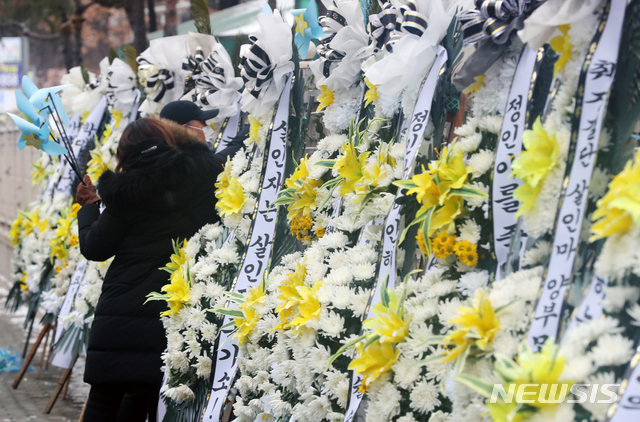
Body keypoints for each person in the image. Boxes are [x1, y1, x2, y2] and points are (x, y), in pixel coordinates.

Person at [75, 117, 221, 422]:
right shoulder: (205, 178)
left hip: (121, 312)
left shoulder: (125, 192)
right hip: (173, 309)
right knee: (146, 398)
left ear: (124, 154)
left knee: (104, 401)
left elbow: (96, 248)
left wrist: (88, 207)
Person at [159, 100, 247, 162]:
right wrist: (249, 129)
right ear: (185, 129)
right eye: (203, 123)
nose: (207, 128)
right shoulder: (189, 164)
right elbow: (220, 161)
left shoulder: (166, 159)